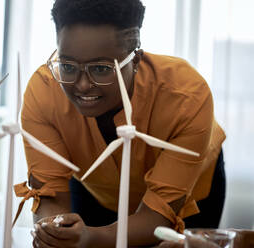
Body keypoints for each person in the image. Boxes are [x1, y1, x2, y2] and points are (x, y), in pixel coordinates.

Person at [13, 0, 226, 247]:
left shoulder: (187, 96)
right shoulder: (43, 91)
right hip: (94, 188)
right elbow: (51, 196)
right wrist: (54, 232)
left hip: (187, 196)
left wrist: (91, 237)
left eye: (102, 68)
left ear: (135, 60)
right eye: (68, 66)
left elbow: (157, 217)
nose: (82, 85)